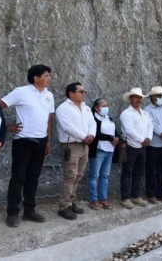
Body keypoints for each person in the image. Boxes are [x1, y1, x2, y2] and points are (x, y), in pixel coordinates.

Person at [0, 64, 54, 227]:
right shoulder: (21, 92)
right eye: (46, 75)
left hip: (41, 141)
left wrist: (49, 140)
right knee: (18, 177)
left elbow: (49, 118)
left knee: (33, 178)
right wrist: (7, 126)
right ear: (36, 78)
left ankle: (29, 211)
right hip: (23, 141)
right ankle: (12, 213)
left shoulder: (48, 95)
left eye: (49, 75)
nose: (49, 78)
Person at [55, 82, 96, 220]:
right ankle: (64, 206)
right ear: (71, 93)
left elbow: (92, 123)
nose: (84, 93)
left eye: (85, 91)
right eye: (81, 91)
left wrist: (91, 135)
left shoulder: (86, 108)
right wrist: (85, 136)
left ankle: (71, 201)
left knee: (79, 175)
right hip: (71, 145)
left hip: (85, 145)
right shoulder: (63, 108)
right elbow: (67, 127)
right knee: (70, 175)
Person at [120, 87, 153, 209]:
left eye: (140, 97)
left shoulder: (145, 113)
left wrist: (148, 138)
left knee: (139, 172)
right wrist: (142, 140)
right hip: (131, 146)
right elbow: (129, 130)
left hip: (142, 147)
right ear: (130, 99)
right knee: (127, 172)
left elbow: (150, 126)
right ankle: (125, 197)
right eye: (136, 97)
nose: (138, 99)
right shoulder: (126, 113)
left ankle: (135, 195)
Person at [88, 98, 120, 210]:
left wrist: (116, 138)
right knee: (94, 176)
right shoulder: (93, 118)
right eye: (103, 105)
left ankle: (103, 198)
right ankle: (93, 199)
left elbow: (114, 131)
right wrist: (111, 138)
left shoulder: (109, 118)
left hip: (109, 150)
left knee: (105, 175)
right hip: (98, 149)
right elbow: (96, 133)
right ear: (96, 108)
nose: (106, 107)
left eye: (107, 105)